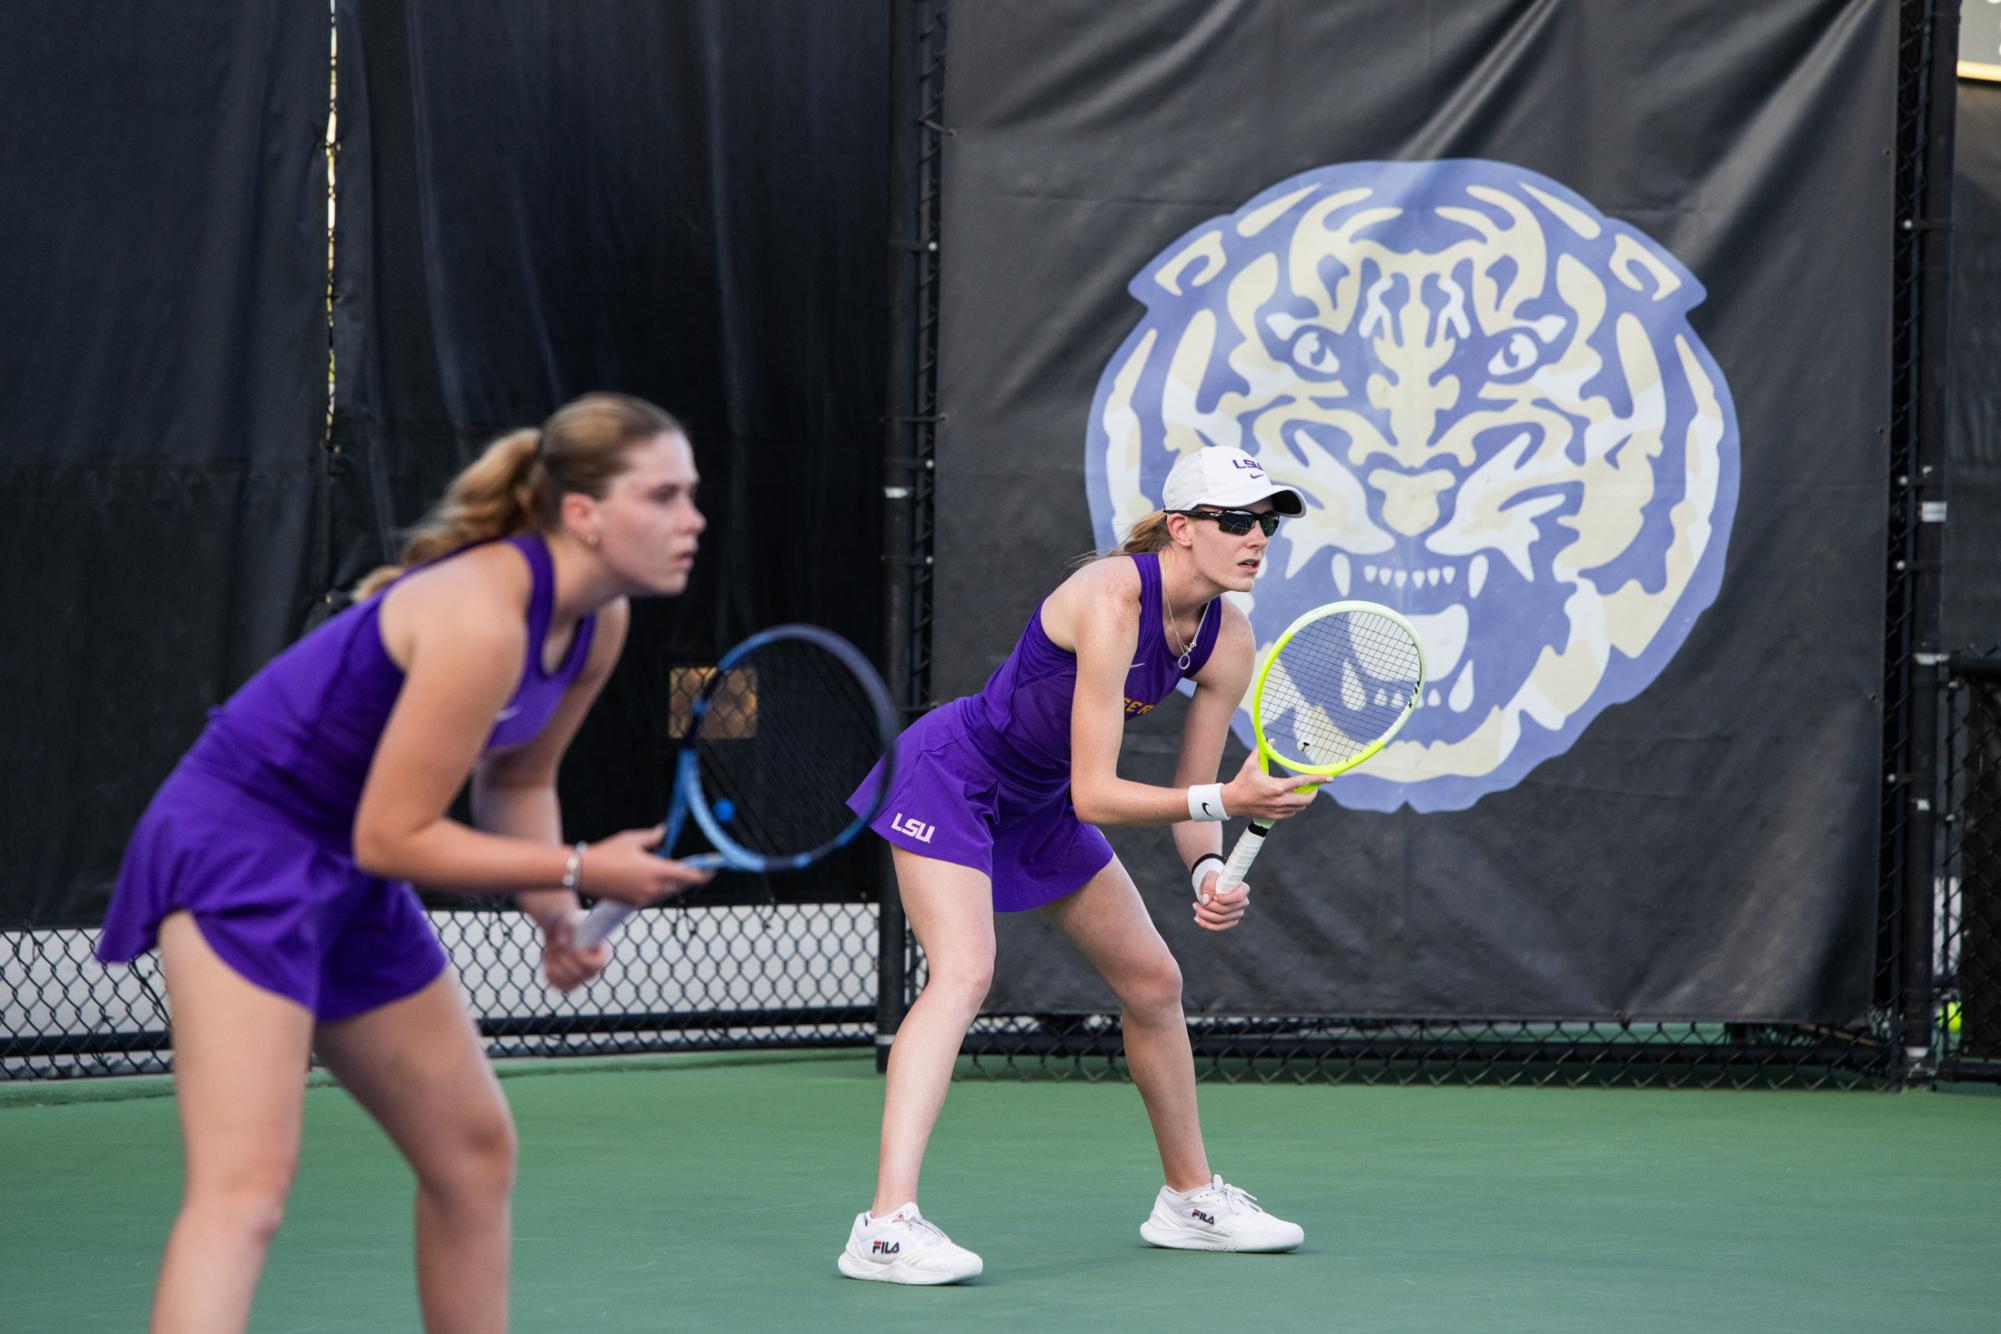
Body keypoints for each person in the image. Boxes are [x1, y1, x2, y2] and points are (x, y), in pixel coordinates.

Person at [96, 392, 713, 1332]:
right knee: (245, 1189)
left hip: (350, 871)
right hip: (238, 851)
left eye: (691, 494)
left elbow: (515, 781)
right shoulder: (478, 617)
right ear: (582, 515)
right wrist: (585, 868)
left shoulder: (600, 621)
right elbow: (396, 836)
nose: (691, 520)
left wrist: (550, 907)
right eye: (663, 495)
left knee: (472, 1155)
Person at [837, 445, 1321, 1285]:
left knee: (1153, 983)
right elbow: (1103, 795)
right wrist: (1224, 804)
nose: (1256, 539)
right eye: (1237, 521)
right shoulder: (1109, 598)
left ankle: (1189, 1199)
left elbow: (1193, 790)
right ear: (1180, 529)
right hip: (954, 777)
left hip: (1042, 801)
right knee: (963, 973)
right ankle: (883, 1227)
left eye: (1267, 524)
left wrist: (1209, 871)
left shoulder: (1227, 639)